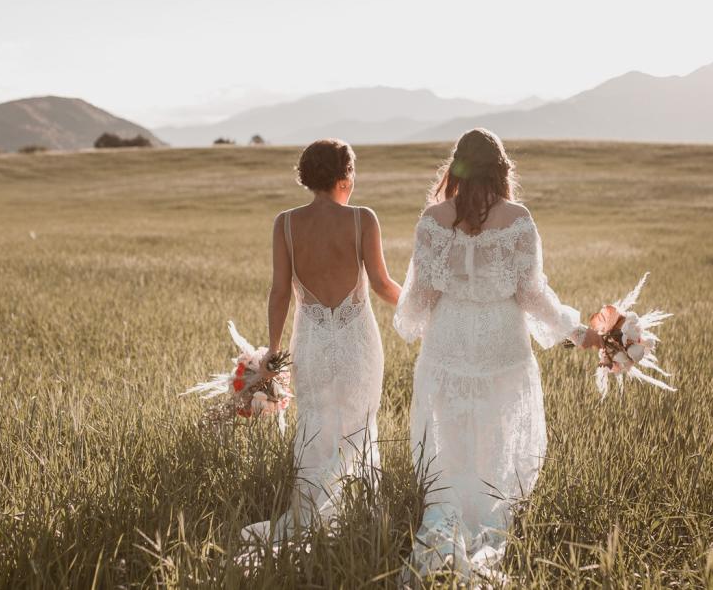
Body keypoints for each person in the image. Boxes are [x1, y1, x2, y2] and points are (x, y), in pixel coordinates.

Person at [393, 128, 610, 580]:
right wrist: (575, 330)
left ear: (456, 168)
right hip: (502, 347)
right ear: (501, 168)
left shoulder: (434, 219)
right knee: (496, 438)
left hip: (448, 342)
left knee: (451, 440)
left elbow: (420, 296)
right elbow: (532, 294)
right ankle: (487, 527)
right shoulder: (517, 218)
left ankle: (445, 524)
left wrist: (421, 309)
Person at [242, 138, 402, 548]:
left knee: (315, 424)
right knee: (358, 426)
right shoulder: (362, 218)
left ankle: (311, 512)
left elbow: (279, 292)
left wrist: (272, 355)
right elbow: (383, 285)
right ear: (345, 177)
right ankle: (354, 515)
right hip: (358, 343)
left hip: (309, 341)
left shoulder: (286, 223)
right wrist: (422, 307)